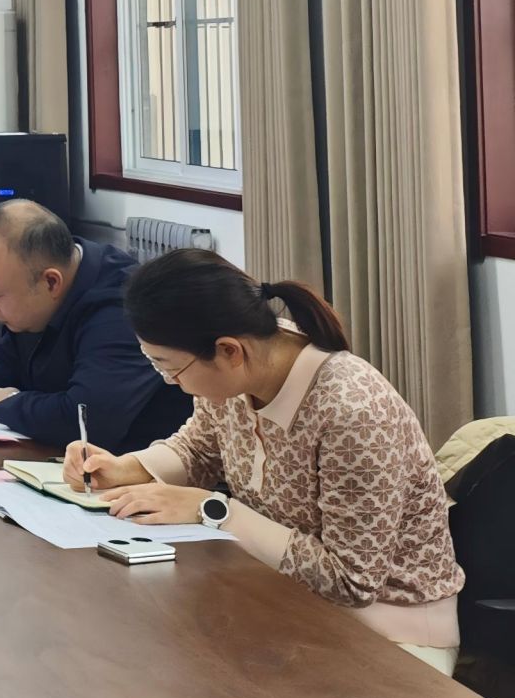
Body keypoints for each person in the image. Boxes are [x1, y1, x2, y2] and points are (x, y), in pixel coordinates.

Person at [67, 250, 465, 675]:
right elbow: (200, 448)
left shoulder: (351, 411)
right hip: (281, 599)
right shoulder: (245, 366)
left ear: (228, 351)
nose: (172, 382)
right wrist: (125, 467)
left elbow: (351, 581)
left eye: (169, 368)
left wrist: (214, 511)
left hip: (391, 631)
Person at [0, 199, 189, 452]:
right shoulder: (41, 283)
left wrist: (4, 404)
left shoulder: (121, 307)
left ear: (51, 282)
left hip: (138, 472)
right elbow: (9, 359)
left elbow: (87, 420)